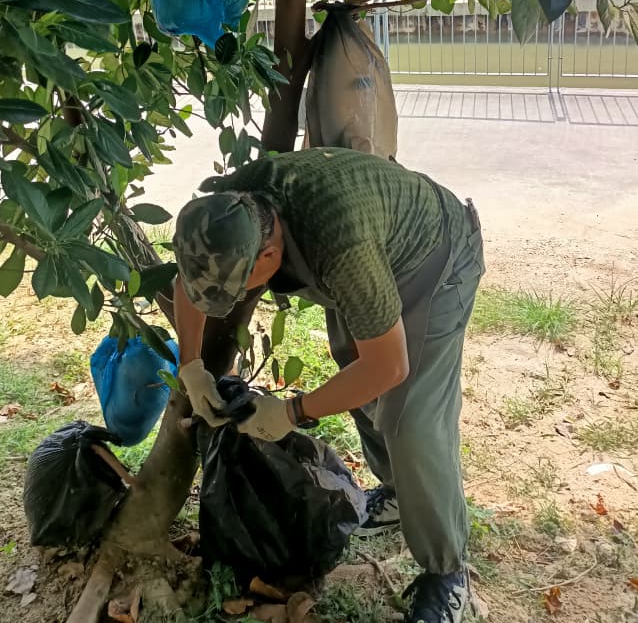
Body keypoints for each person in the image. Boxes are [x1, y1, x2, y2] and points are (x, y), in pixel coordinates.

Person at [171, 147, 484, 623]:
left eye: (237, 288)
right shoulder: (226, 217)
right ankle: (400, 492)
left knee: (411, 420)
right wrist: (191, 367)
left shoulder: (340, 247)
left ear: (269, 255)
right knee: (352, 368)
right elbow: (187, 283)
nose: (231, 300)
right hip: (376, 258)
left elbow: (388, 366)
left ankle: (448, 572)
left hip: (436, 262)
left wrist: (292, 413)